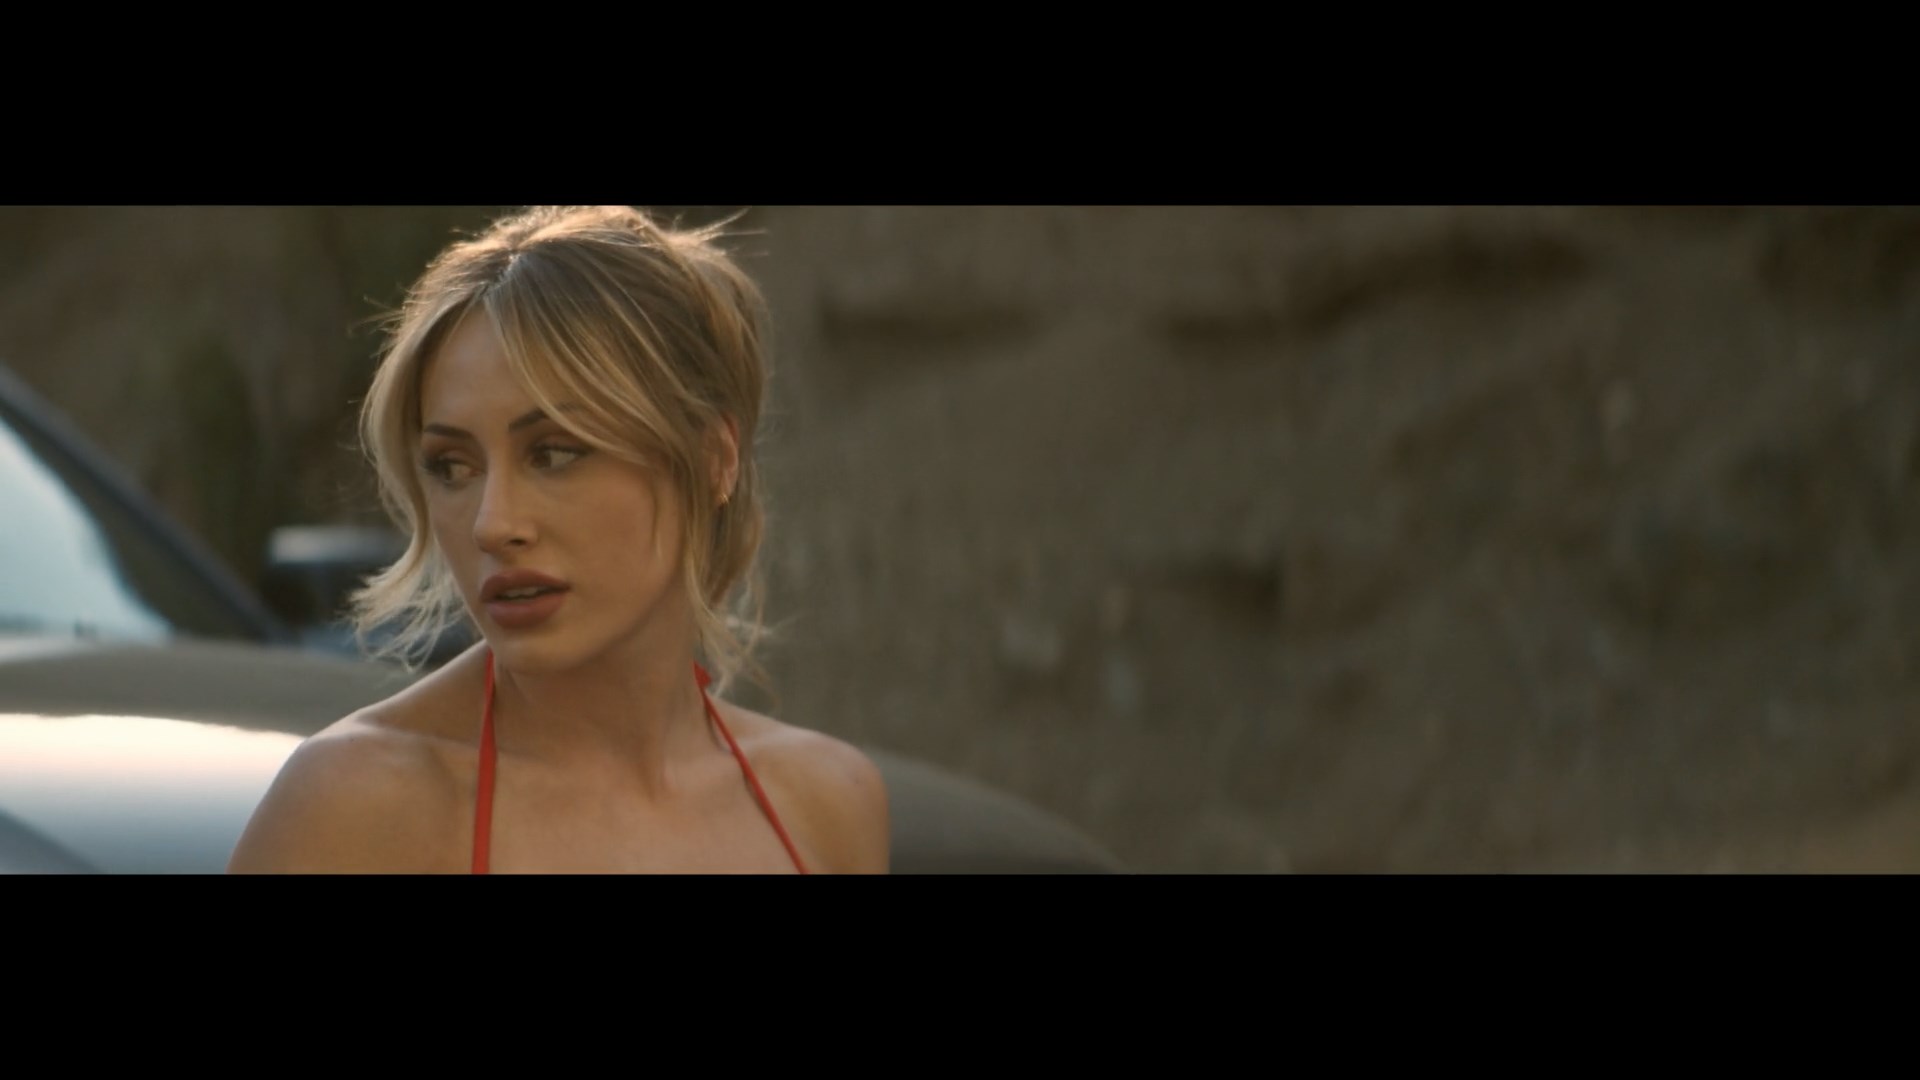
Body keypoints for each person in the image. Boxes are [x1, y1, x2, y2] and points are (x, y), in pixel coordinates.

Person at [229, 206, 889, 873]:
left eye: (554, 453)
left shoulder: (827, 803)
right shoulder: (356, 808)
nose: (492, 524)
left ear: (713, 458)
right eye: (453, 467)